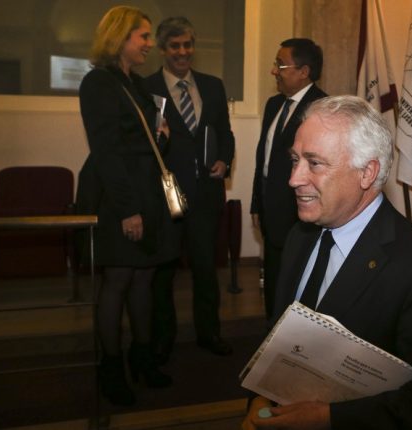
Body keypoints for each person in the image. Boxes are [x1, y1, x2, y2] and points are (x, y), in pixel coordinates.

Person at [242, 96, 412, 429]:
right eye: (295, 160)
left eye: (314, 163)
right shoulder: (299, 236)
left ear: (367, 173)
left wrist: (328, 419)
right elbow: (279, 336)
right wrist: (260, 395)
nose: (294, 178)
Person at [77, 5, 176, 406]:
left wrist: (162, 135)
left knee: (143, 277)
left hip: (147, 193)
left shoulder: (133, 82)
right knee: (118, 280)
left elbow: (143, 144)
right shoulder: (98, 83)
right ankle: (111, 367)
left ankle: (142, 357)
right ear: (120, 37)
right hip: (119, 196)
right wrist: (127, 210)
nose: (150, 44)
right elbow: (107, 151)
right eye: (144, 36)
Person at [144, 16, 235, 362]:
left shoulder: (213, 86)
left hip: (206, 195)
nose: (183, 52)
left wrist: (224, 160)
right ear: (162, 49)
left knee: (205, 270)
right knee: (163, 273)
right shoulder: (147, 88)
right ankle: (162, 339)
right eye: (175, 46)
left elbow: (225, 133)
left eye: (188, 45)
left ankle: (209, 333)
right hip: (165, 197)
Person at [251, 38, 327, 319]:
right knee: (274, 286)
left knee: (297, 288)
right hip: (271, 214)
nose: (274, 71)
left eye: (280, 65)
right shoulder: (274, 105)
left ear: (303, 71)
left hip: (301, 216)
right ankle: (272, 334)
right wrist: (257, 203)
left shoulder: (322, 108)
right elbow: (264, 159)